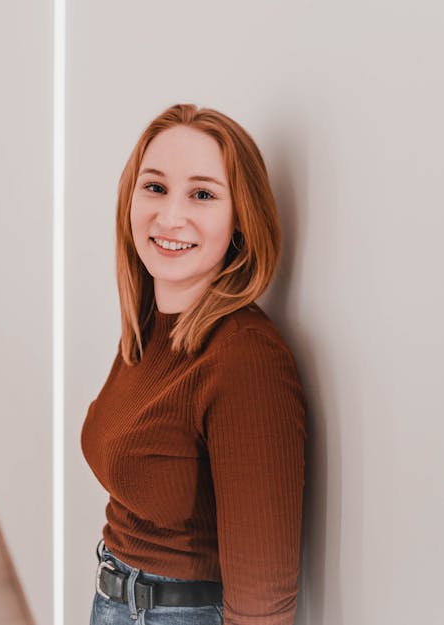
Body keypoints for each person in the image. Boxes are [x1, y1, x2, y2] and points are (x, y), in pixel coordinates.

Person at [81, 102, 307, 625]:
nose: (170, 215)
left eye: (202, 194)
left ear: (241, 222)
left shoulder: (246, 357)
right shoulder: (148, 329)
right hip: (118, 600)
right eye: (155, 187)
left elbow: (263, 601)